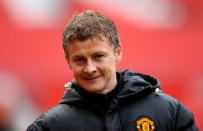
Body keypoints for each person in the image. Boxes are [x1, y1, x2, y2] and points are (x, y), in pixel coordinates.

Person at [27, 10, 199, 131]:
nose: (90, 68)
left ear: (118, 52)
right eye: (80, 60)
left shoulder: (169, 113)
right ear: (68, 61)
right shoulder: (50, 126)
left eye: (98, 56)